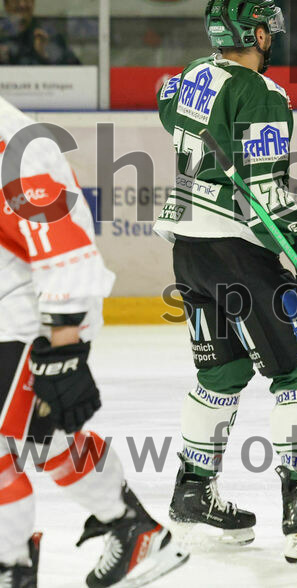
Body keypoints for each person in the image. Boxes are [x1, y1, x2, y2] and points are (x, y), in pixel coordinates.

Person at [154, 0, 297, 562]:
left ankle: (192, 493)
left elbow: (164, 97)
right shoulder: (262, 93)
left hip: (189, 250)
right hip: (238, 251)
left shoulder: (189, 77)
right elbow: (264, 191)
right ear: (260, 34)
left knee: (221, 371)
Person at [0, 94, 188, 587]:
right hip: (16, 308)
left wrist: (63, 347)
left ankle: (10, 568)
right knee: (47, 440)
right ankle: (133, 529)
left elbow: (60, 241)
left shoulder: (10, 142)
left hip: (30, 315)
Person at [0, 0, 80, 66]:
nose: (22, 5)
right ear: (6, 5)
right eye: (16, 1)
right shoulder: (2, 35)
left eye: (27, 1)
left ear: (33, 4)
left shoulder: (48, 34)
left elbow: (76, 68)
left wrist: (46, 55)